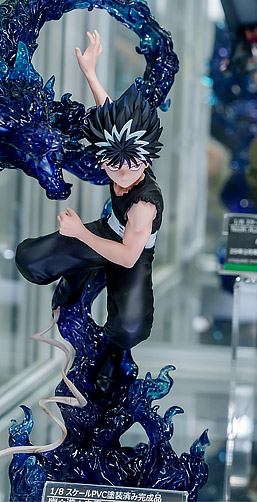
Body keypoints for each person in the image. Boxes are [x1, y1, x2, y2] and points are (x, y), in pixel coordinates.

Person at [15, 30, 164, 394]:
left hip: (132, 253)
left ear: (145, 160)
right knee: (31, 260)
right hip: (106, 230)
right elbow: (111, 118)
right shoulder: (118, 151)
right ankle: (78, 273)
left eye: (130, 165)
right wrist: (91, 73)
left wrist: (80, 233)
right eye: (113, 165)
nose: (122, 173)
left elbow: (127, 257)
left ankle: (115, 355)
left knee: (130, 327)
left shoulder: (144, 204)